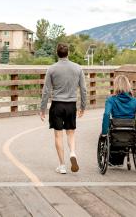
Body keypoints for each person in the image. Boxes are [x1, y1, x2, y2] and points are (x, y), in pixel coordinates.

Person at [39, 43, 87, 174]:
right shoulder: (78, 68)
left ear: (57, 53)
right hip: (71, 105)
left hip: (57, 105)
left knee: (58, 135)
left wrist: (42, 109)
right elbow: (83, 90)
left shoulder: (52, 69)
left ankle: (62, 165)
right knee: (71, 134)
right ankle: (72, 153)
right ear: (68, 53)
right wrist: (83, 106)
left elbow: (46, 91)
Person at [101, 75, 136, 165]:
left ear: (116, 85)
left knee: (109, 132)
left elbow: (106, 114)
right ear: (128, 86)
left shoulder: (111, 100)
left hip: (115, 131)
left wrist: (104, 133)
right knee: (129, 136)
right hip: (130, 131)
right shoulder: (134, 101)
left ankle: (113, 160)